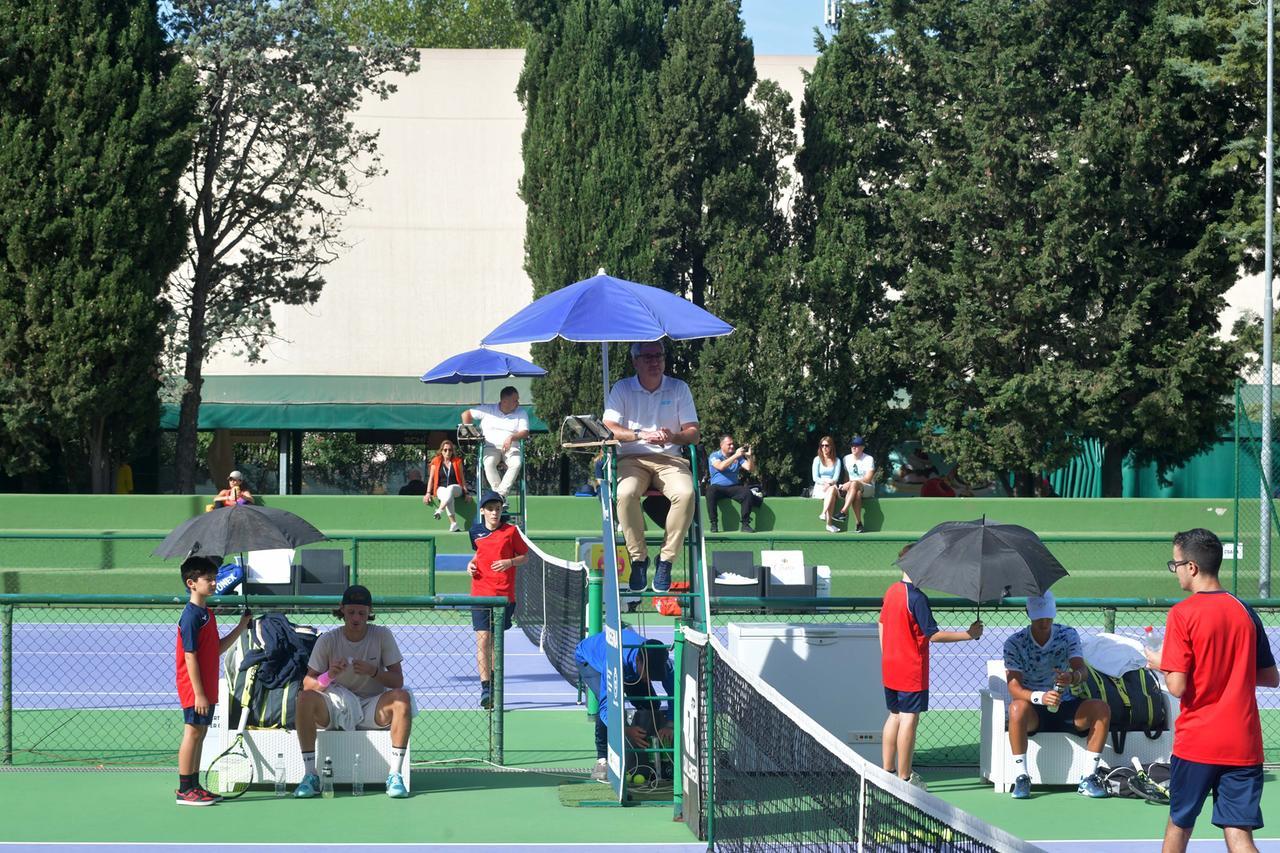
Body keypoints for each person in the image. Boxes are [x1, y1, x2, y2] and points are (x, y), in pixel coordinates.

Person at [1146, 528, 1278, 853]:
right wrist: (1228, 668)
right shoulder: (1245, 611)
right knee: (1239, 835)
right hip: (1244, 744)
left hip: (1198, 744)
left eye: (1174, 563)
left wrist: (1161, 663)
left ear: (1191, 567)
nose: (1174, 570)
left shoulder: (1182, 614)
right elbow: (1270, 677)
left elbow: (1176, 686)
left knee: (1179, 826)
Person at [293, 585, 415, 799]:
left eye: (361, 613)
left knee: (402, 698)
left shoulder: (382, 635)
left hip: (372, 706)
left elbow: (397, 680)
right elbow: (308, 684)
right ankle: (310, 775)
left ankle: (395, 774)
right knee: (304, 699)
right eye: (351, 612)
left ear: (369, 612)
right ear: (342, 610)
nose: (356, 618)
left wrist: (374, 671)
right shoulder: (328, 640)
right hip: (335, 705)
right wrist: (329, 675)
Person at [879, 545, 982, 789]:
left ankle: (886, 771)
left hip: (891, 667)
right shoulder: (917, 598)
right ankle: (905, 778)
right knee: (908, 720)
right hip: (910, 671)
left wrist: (887, 654)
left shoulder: (892, 591)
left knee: (894, 716)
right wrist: (968, 634)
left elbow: (881, 623)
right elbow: (933, 635)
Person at [602, 340, 699, 595]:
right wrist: (639, 434)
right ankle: (639, 559)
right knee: (624, 493)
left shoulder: (679, 388)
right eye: (648, 357)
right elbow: (609, 427)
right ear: (635, 362)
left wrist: (673, 437)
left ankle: (665, 560)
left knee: (687, 493)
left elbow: (693, 433)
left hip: (670, 459)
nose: (655, 362)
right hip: (631, 459)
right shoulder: (622, 389)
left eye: (659, 356)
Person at [1002, 590, 1111, 800]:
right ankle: (1021, 777)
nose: (1044, 622)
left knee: (1101, 709)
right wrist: (1039, 697)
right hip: (1033, 710)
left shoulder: (1068, 634)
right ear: (1028, 613)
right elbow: (1014, 687)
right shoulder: (1014, 643)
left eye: (1048, 616)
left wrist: (1072, 677)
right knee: (1016, 708)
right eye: (1039, 617)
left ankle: (1089, 777)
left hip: (1066, 703)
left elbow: (1082, 671)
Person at [175, 556, 252, 806]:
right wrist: (198, 693)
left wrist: (242, 626)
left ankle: (194, 785)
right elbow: (190, 656)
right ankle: (184, 789)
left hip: (206, 686)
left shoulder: (207, 613)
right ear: (191, 583)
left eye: (214, 578)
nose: (214, 583)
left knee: (202, 732)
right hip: (194, 687)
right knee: (193, 731)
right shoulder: (190, 617)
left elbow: (216, 648)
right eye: (208, 579)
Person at [574, 627, 674, 784]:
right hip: (590, 661)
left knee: (651, 704)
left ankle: (647, 757)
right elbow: (606, 708)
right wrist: (625, 730)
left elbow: (673, 692)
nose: (649, 681)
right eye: (647, 674)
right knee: (610, 704)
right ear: (638, 662)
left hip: (628, 667)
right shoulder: (614, 662)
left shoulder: (662, 659)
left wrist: (670, 724)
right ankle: (602, 760)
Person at [467, 490, 528, 709]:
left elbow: (525, 556)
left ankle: (495, 685)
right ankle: (486, 688)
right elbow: (479, 553)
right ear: (482, 511)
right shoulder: (475, 531)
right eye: (490, 509)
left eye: (498, 509)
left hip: (504, 597)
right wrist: (471, 564)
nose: (494, 513)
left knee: (495, 642)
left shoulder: (511, 532)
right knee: (483, 639)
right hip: (480, 593)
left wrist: (509, 563)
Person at [461, 386, 531, 499]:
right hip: (490, 447)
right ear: (504, 401)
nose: (518, 403)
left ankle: (499, 496)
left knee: (516, 463)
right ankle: (500, 498)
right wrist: (470, 433)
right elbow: (465, 414)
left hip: (512, 447)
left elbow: (525, 432)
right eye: (515, 400)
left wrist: (511, 437)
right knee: (488, 463)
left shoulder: (521, 412)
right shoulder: (488, 409)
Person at [705, 435, 760, 534]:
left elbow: (750, 469)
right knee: (710, 491)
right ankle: (713, 523)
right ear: (722, 445)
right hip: (718, 488)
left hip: (733, 487)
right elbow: (721, 466)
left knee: (746, 492)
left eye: (732, 444)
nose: (732, 446)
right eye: (729, 444)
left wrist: (749, 457)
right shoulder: (715, 456)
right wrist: (736, 455)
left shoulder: (738, 457)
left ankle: (745, 524)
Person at [425, 439, 468, 532]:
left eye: (450, 450)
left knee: (450, 488)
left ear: (452, 451)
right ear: (441, 451)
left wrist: (466, 493)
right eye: (445, 450)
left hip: (456, 488)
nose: (448, 452)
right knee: (448, 496)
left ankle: (440, 510)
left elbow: (462, 478)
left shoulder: (457, 461)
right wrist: (428, 493)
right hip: (441, 489)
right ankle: (453, 524)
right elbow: (431, 479)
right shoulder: (435, 461)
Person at [837, 436, 876, 533]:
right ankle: (859, 524)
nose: (853, 447)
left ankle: (843, 512)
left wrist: (851, 483)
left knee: (854, 484)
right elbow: (847, 476)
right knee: (856, 493)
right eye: (852, 445)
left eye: (857, 445)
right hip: (854, 489)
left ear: (862, 447)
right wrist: (846, 485)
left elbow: (867, 479)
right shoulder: (846, 458)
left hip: (868, 488)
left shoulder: (868, 459)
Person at [811, 436, 842, 533]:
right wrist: (824, 483)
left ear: (831, 447)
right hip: (820, 486)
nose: (824, 447)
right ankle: (829, 525)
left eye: (827, 445)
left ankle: (823, 513)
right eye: (822, 445)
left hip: (831, 485)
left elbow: (836, 478)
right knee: (831, 496)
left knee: (832, 489)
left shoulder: (837, 460)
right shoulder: (817, 459)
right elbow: (815, 477)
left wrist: (829, 484)